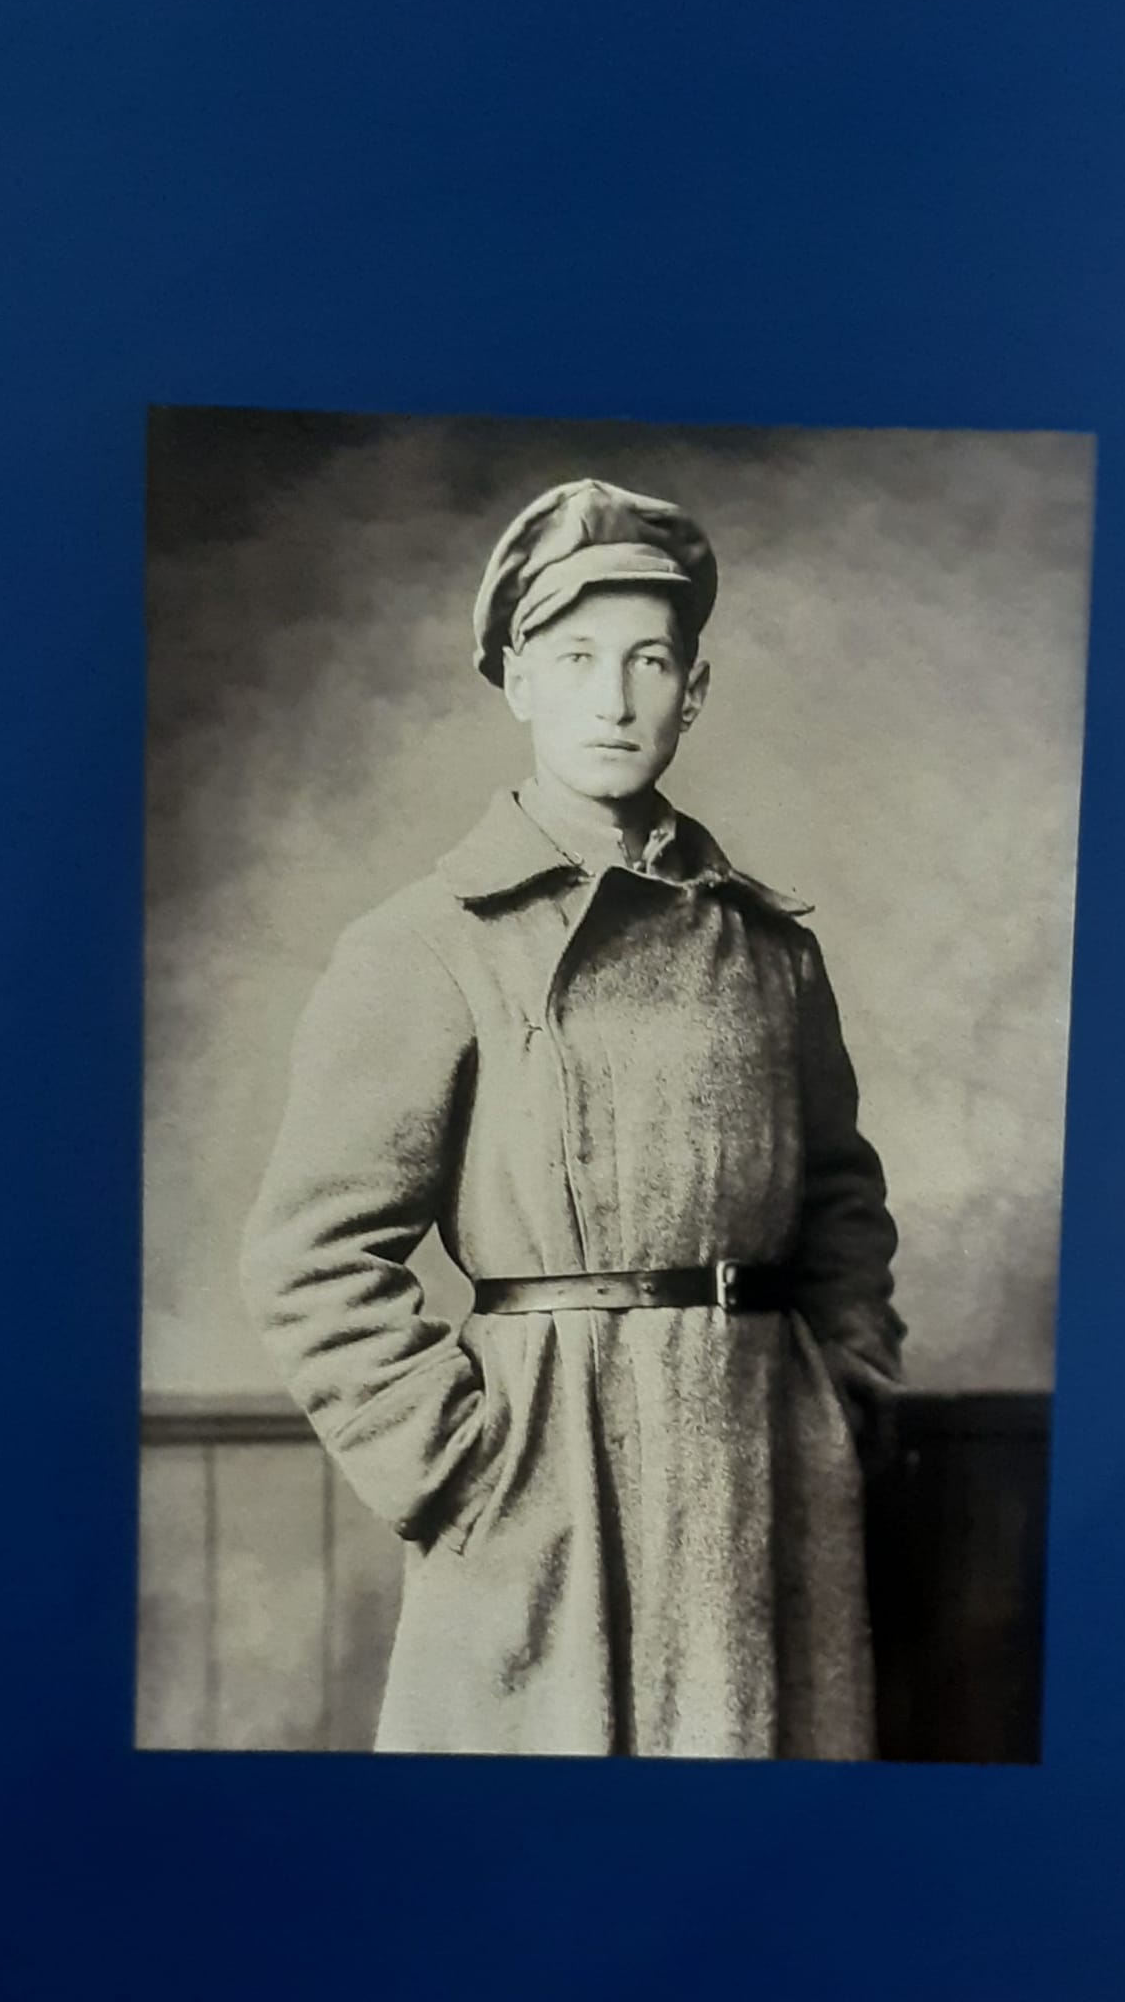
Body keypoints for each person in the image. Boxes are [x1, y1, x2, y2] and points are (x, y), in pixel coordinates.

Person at [239, 477, 904, 1758]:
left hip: (768, 1482)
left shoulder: (771, 950)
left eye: (649, 661)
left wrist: (843, 1399)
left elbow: (840, 1201)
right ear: (515, 681)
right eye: (576, 658)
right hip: (545, 1494)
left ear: (692, 692)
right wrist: (462, 1466)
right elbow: (309, 1256)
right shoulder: (425, 943)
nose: (613, 699)